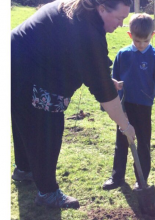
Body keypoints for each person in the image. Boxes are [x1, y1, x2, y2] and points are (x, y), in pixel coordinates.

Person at [11, 0, 136, 209]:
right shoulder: (86, 29)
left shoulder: (80, 14)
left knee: (26, 120)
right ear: (102, 8)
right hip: (26, 73)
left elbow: (91, 61)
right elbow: (103, 91)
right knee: (46, 129)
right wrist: (125, 125)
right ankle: (47, 193)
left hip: (16, 65)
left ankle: (25, 170)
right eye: (119, 18)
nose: (121, 24)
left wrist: (104, 78)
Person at [102, 13, 155, 191]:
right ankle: (117, 177)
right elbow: (113, 79)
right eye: (137, 41)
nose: (141, 45)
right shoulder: (122, 55)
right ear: (130, 35)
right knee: (122, 141)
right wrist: (113, 103)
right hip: (123, 107)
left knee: (143, 143)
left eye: (145, 42)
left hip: (144, 107)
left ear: (152, 35)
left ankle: (141, 179)